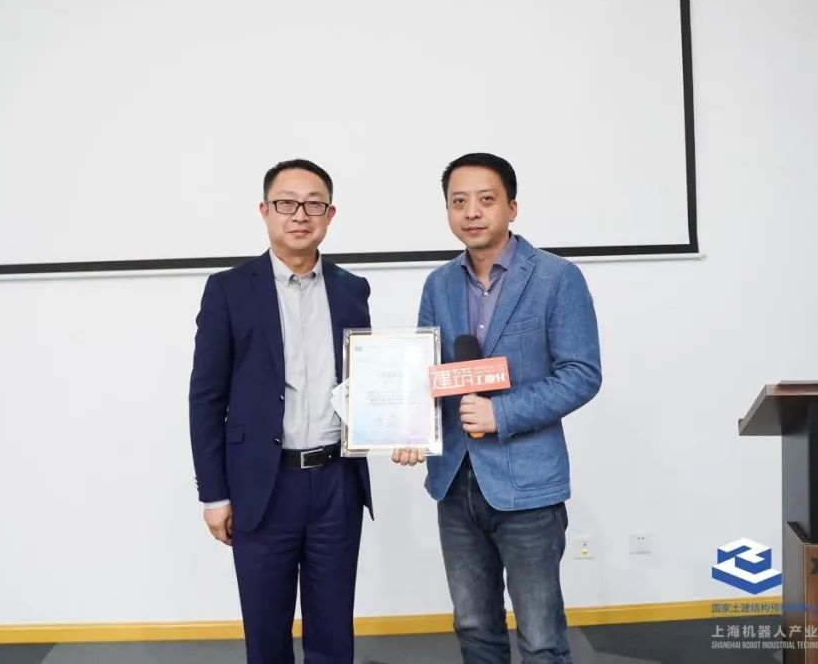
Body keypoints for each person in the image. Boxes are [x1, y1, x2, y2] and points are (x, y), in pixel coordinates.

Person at [394, 152, 601, 664]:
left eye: (486, 199)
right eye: (458, 201)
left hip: (528, 485)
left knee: (541, 634)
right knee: (473, 626)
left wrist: (501, 414)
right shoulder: (439, 283)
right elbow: (427, 372)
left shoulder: (557, 277)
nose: (472, 212)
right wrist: (407, 427)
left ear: (512, 206)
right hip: (454, 482)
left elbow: (581, 374)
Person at [189, 158, 373, 664]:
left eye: (313, 204)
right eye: (287, 203)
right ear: (265, 210)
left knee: (333, 630)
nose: (300, 215)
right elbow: (206, 397)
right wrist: (214, 494)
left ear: (330, 215)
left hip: (336, 481)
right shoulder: (228, 289)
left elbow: (368, 382)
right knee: (266, 633)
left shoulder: (352, 289)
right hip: (263, 486)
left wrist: (401, 426)